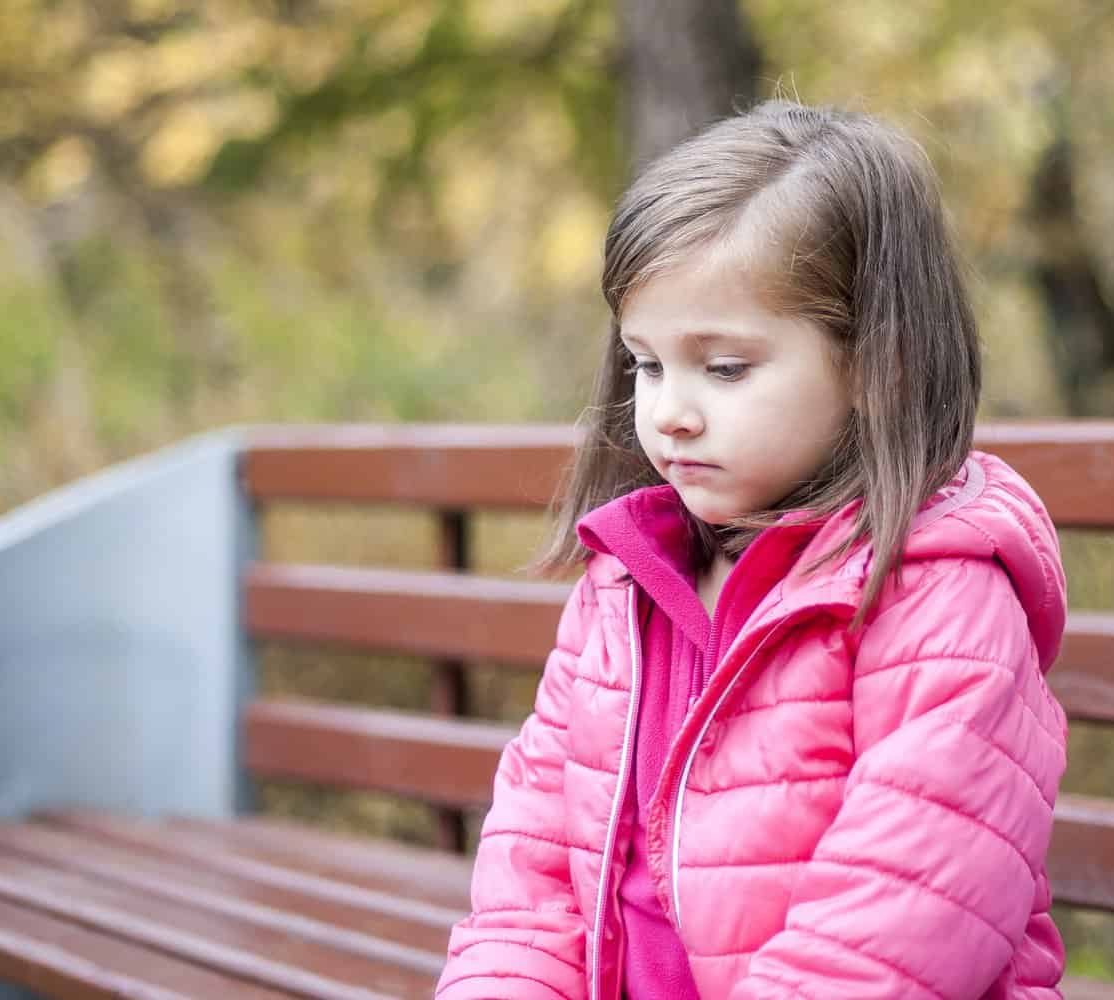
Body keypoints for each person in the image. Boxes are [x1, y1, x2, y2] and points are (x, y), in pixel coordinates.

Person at [436, 98, 1069, 1000]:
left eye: (724, 368)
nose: (668, 412)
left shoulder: (940, 600)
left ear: (878, 367)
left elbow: (898, 927)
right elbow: (534, 875)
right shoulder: (629, 579)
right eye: (647, 364)